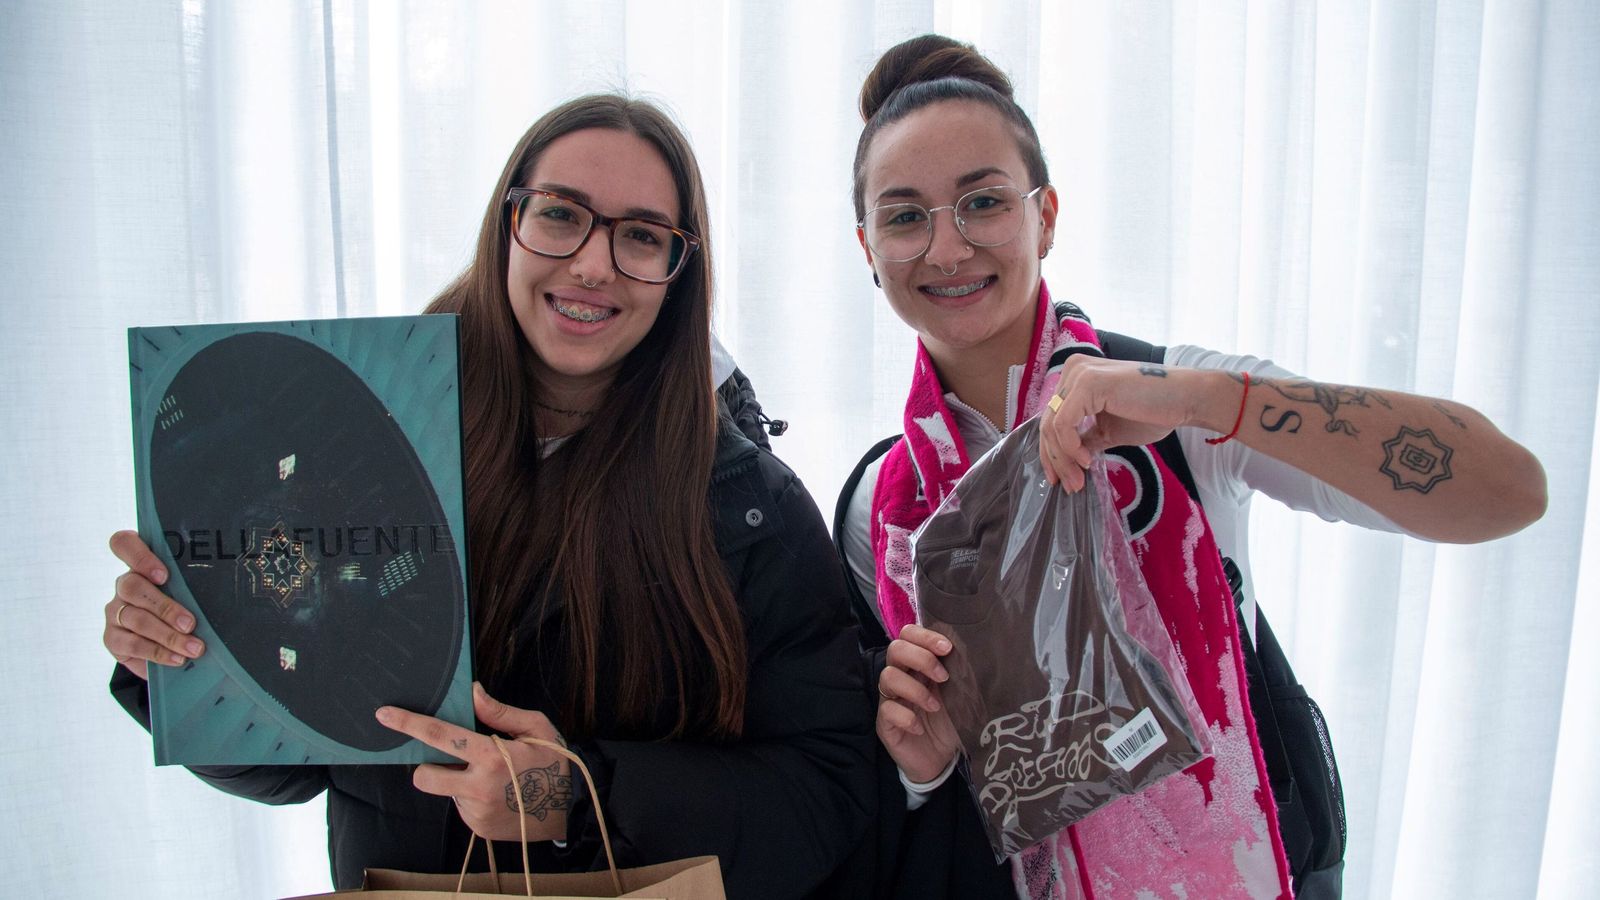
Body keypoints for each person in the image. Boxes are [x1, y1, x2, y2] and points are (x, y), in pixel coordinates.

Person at [102, 93, 875, 899]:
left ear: (680, 273)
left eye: (642, 236)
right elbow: (298, 766)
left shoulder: (752, 510)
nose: (593, 265)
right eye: (559, 214)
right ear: (507, 222)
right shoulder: (355, 443)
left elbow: (824, 795)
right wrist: (181, 661)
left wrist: (569, 799)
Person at [838, 34, 1548, 900]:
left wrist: (1211, 399)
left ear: (1045, 216)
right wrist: (917, 768)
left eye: (983, 202)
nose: (947, 249)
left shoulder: (1176, 408)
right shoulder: (885, 507)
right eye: (905, 216)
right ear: (868, 248)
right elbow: (934, 801)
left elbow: (1508, 492)